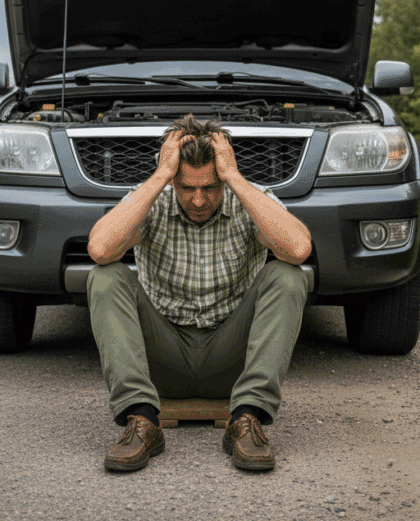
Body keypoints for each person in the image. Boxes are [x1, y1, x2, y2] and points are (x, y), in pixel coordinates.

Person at [86, 114, 311, 472]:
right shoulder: (155, 197)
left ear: (222, 175)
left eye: (210, 187)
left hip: (231, 359)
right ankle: (141, 420)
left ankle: (248, 418)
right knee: (105, 276)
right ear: (174, 180)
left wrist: (234, 178)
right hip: (164, 357)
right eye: (187, 188)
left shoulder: (245, 197)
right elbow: (99, 249)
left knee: (288, 275)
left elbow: (298, 249)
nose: (199, 200)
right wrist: (161, 175)